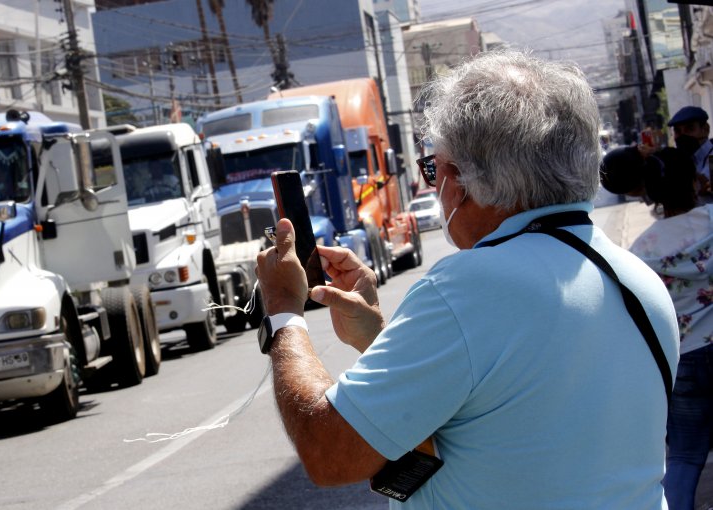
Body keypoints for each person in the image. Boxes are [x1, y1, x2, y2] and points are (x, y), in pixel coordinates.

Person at [254, 49, 679, 509]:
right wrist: (376, 337)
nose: (436, 187)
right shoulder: (637, 277)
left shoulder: (471, 286)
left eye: (432, 169)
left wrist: (283, 315)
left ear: (458, 179)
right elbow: (517, 413)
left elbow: (328, 452)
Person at [603, 145, 713, 510]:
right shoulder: (712, 221)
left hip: (684, 362)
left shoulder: (640, 250)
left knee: (683, 455)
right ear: (695, 182)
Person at [668, 106, 713, 202]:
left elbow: (703, 183)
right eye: (677, 131)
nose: (683, 136)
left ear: (705, 129)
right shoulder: (683, 159)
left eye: (689, 129)